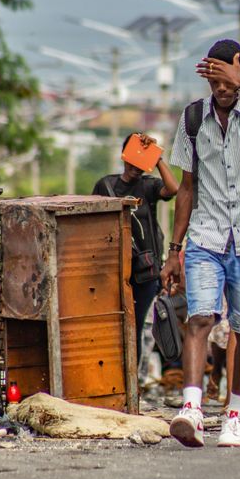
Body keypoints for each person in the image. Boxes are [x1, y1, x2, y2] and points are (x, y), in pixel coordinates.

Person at [162, 39, 240, 448]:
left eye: (228, 76)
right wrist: (174, 249)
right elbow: (186, 189)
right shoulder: (193, 118)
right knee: (199, 318)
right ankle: (192, 409)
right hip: (206, 236)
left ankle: (235, 415)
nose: (221, 86)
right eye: (214, 77)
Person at [92, 133, 179, 366]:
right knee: (112, 326)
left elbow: (173, 189)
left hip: (144, 272)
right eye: (133, 161)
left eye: (142, 163)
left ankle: (132, 384)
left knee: (136, 326)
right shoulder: (106, 185)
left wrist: (158, 158)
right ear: (124, 157)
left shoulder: (148, 186)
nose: (136, 168)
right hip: (113, 269)